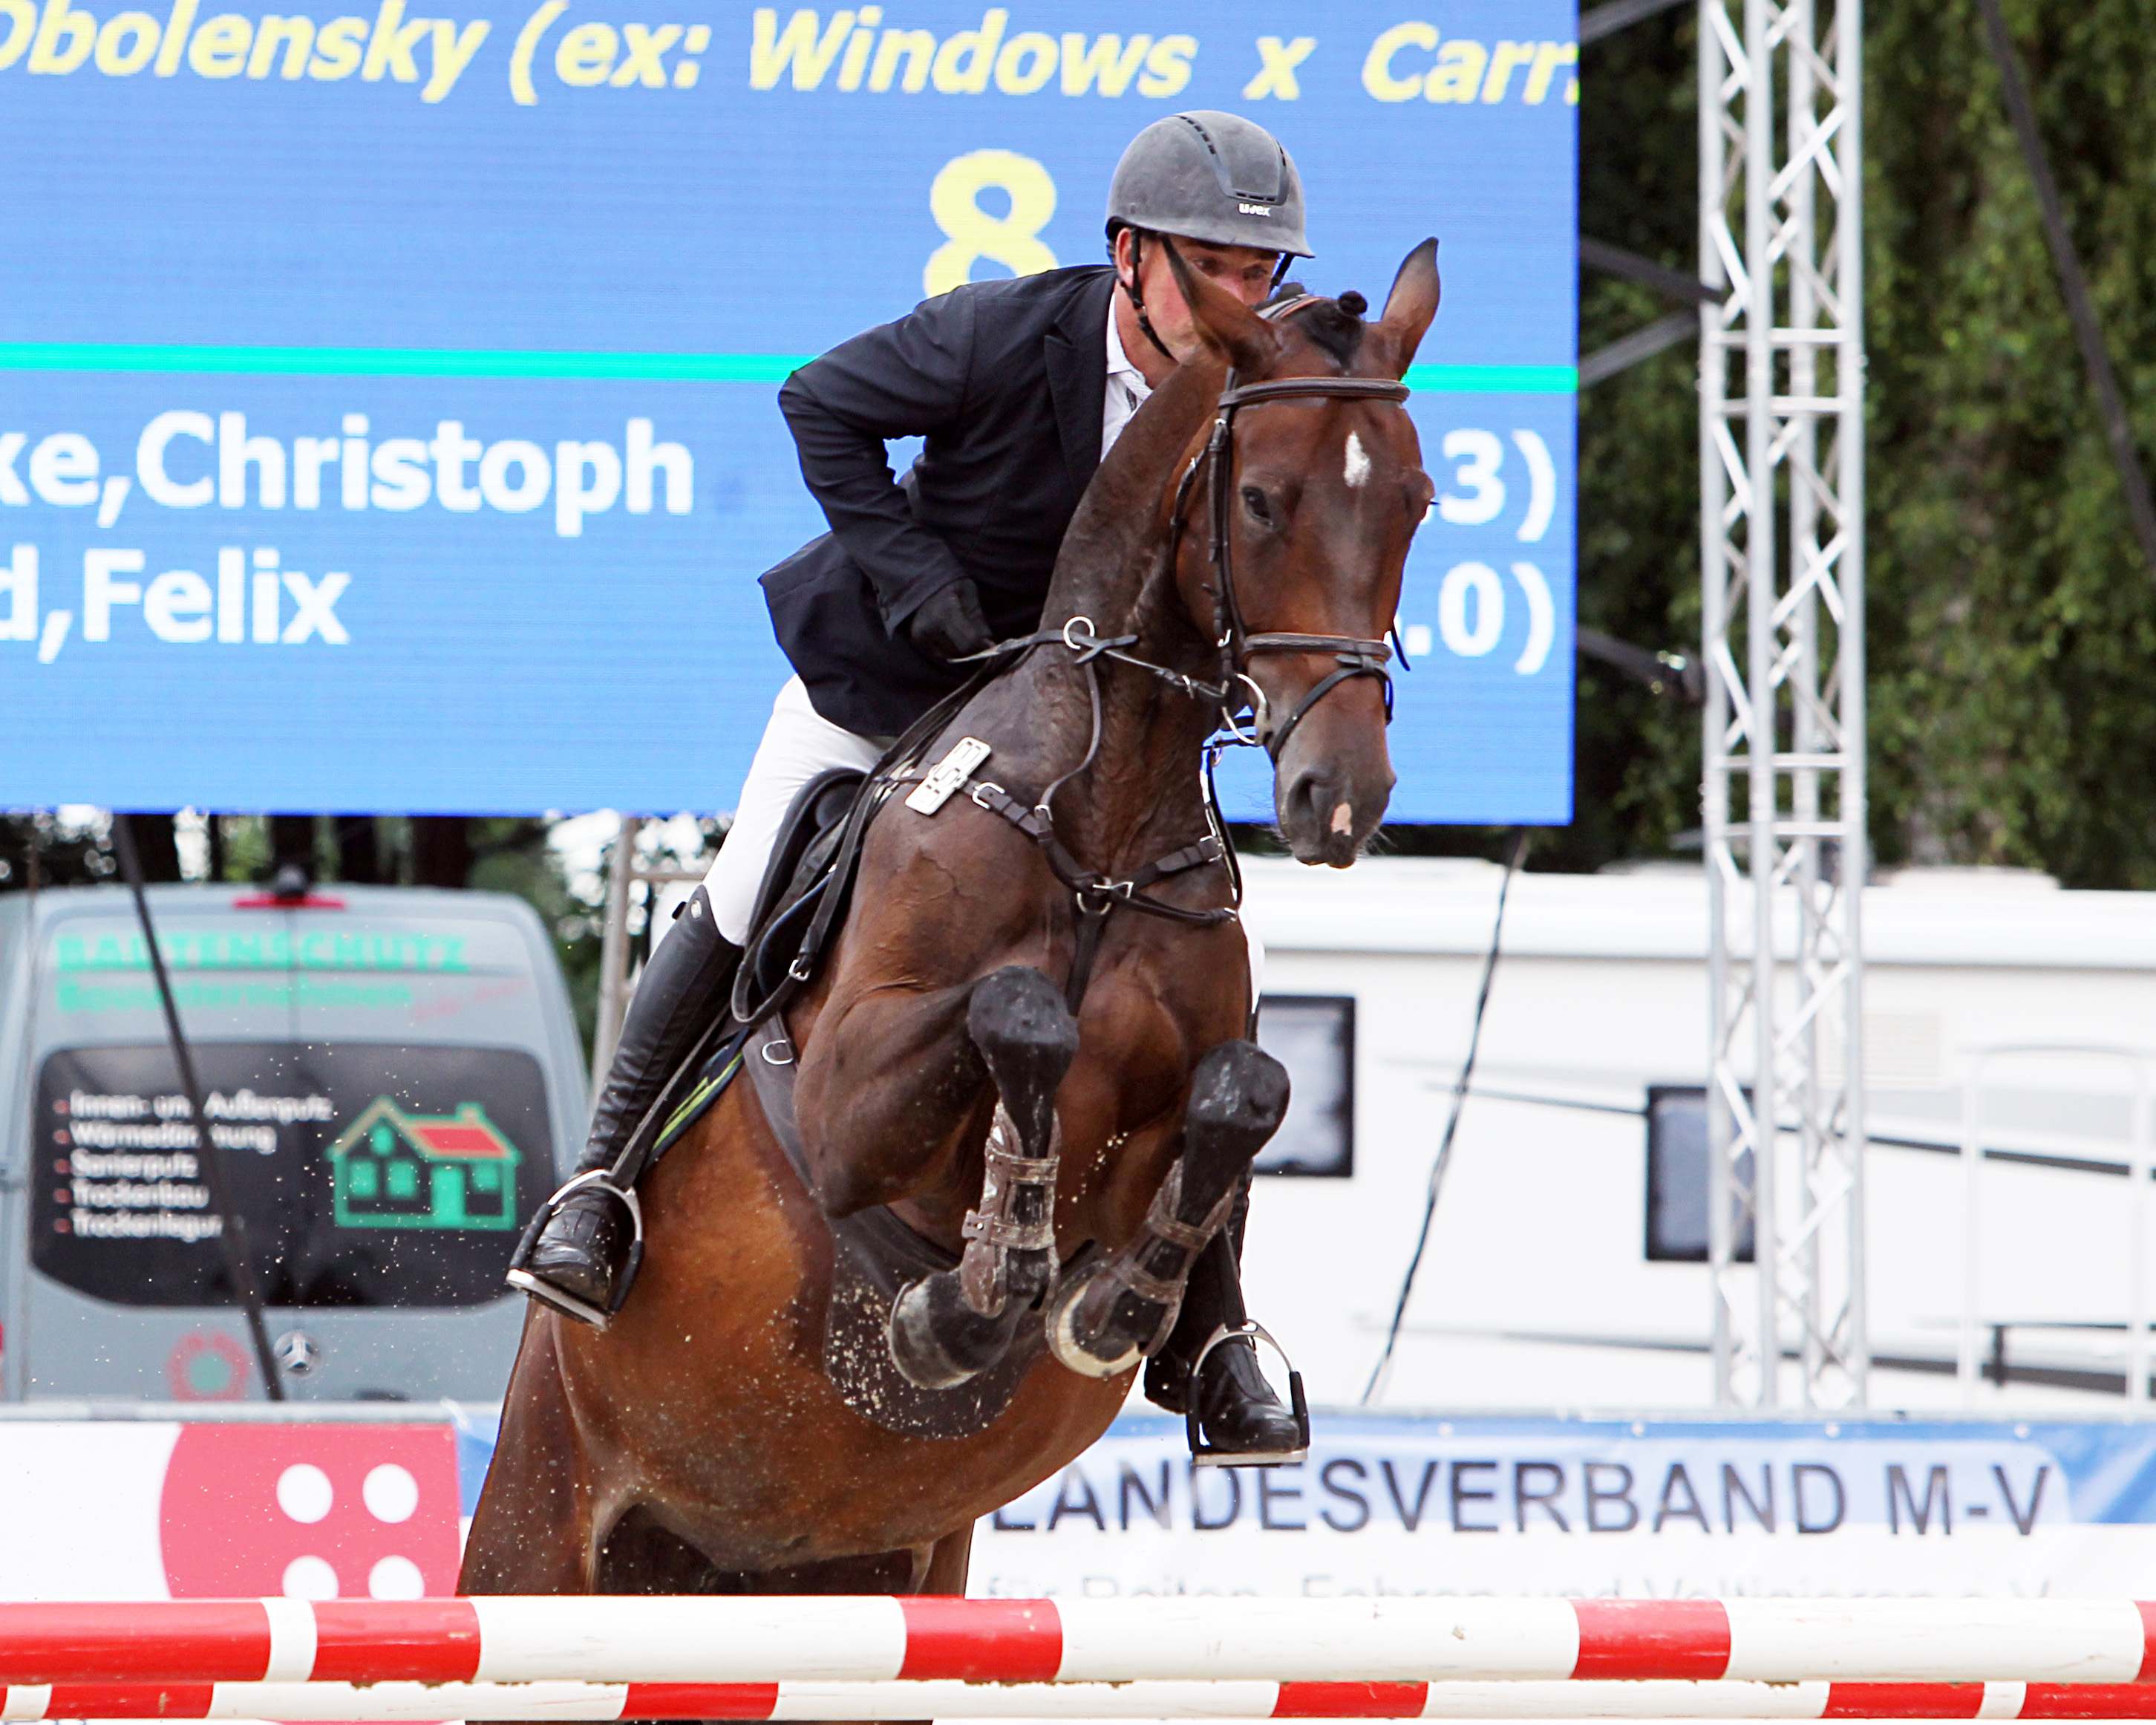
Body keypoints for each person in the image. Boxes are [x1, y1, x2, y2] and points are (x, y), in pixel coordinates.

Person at [512, 111, 1310, 1459]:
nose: (1247, 299)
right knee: (747, 871)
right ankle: (600, 1186)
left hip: (1090, 740)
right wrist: (918, 585)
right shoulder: (1006, 333)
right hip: (897, 681)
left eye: (1265, 272)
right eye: (1218, 266)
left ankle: (1212, 1324)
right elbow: (817, 402)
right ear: (1128, 256)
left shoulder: (1253, 394)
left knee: (1199, 962)